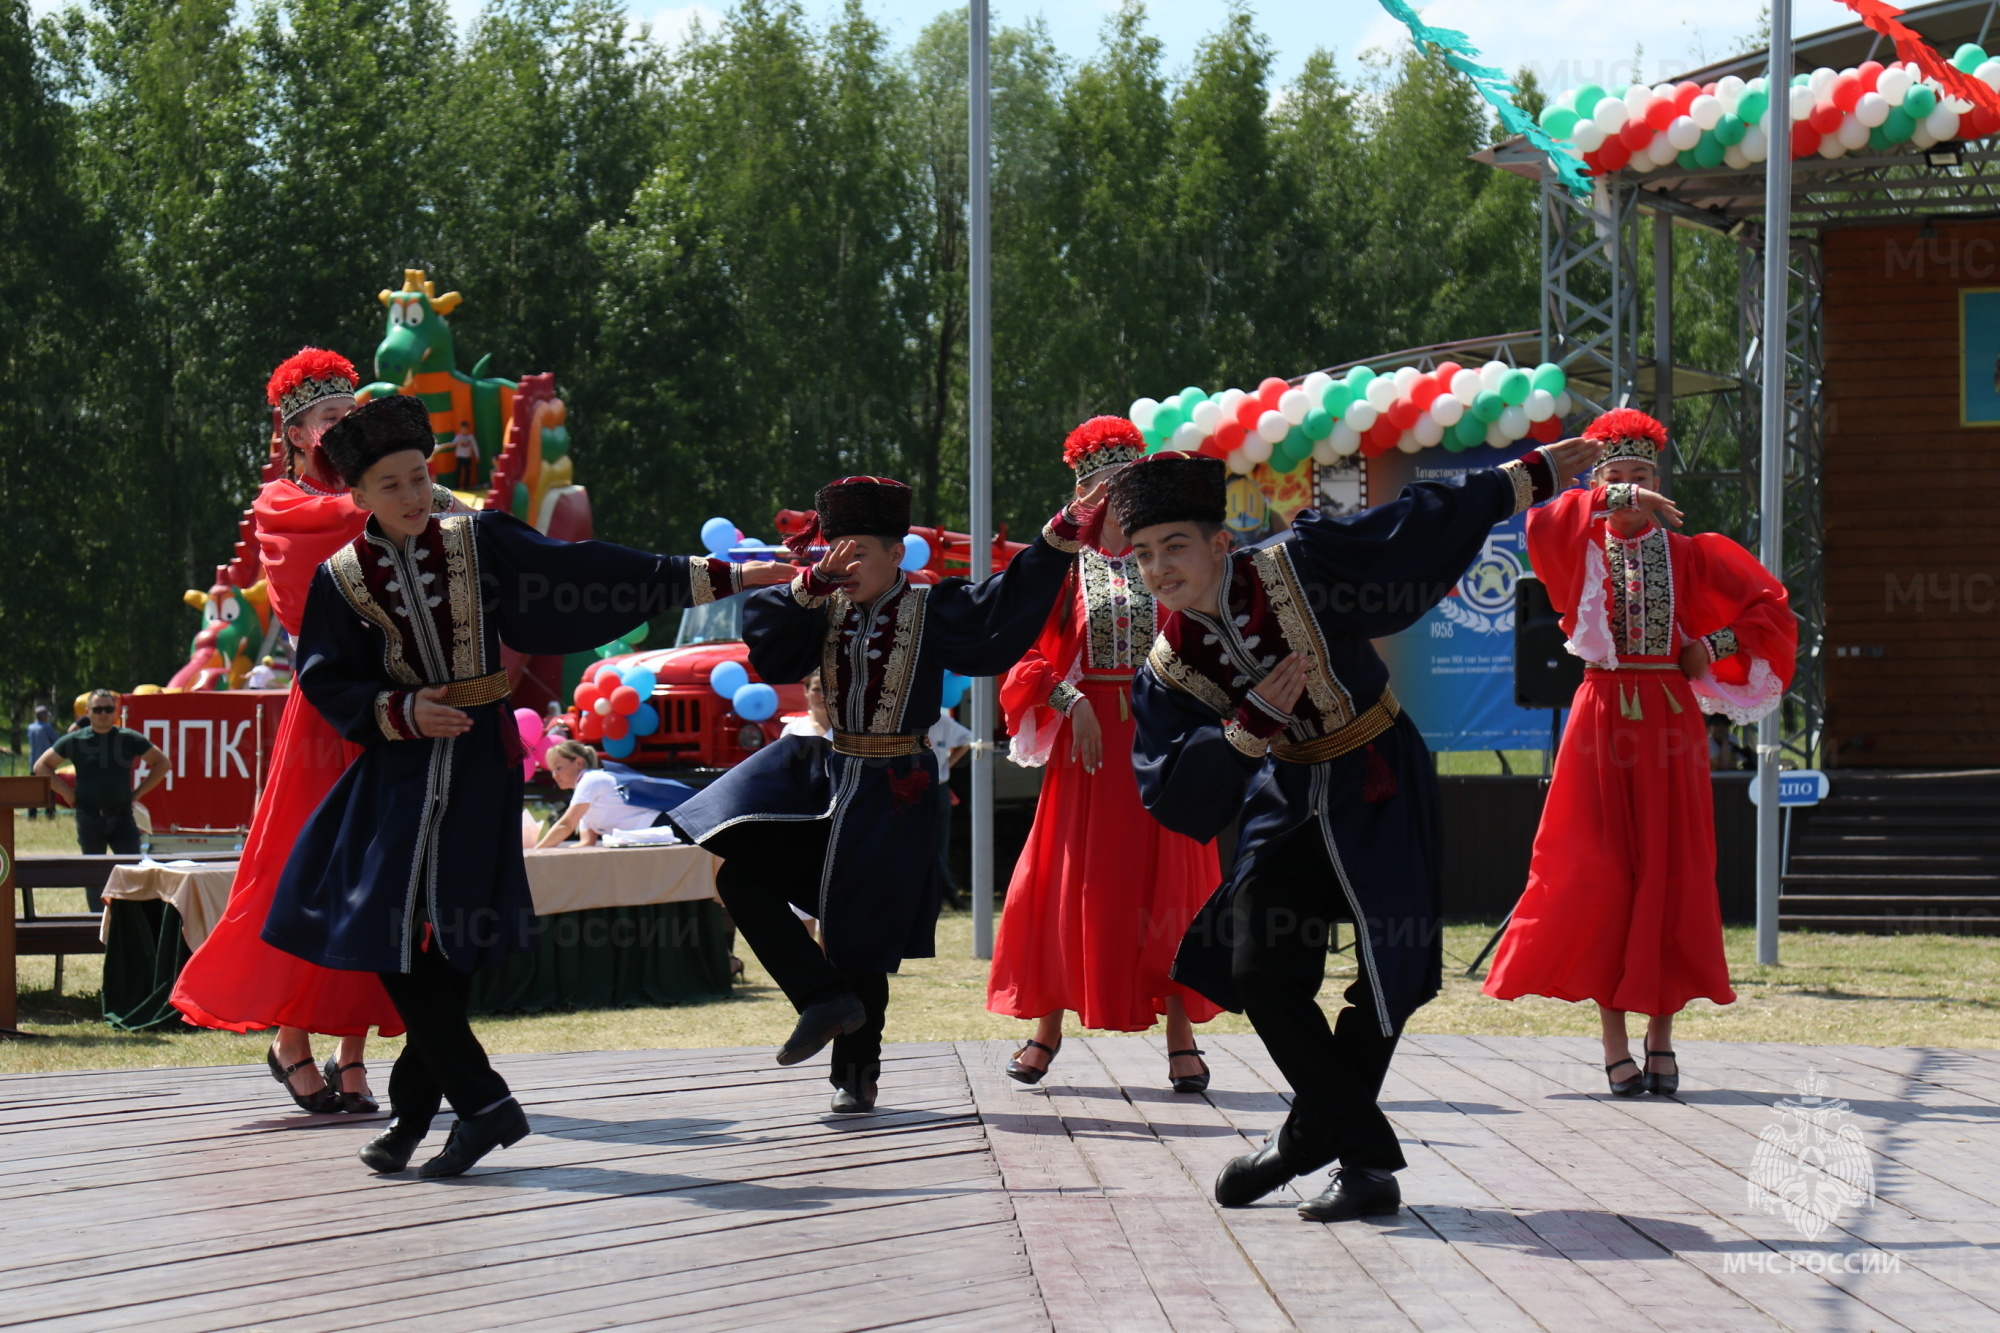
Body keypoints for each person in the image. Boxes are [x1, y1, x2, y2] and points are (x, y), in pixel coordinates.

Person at [267, 393, 791, 1177]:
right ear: (359, 497)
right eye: (391, 486)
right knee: (382, 929)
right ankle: (476, 1104)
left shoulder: (476, 539)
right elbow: (323, 678)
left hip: (478, 763)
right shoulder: (341, 579)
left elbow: (582, 571)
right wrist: (400, 707)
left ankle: (427, 1115)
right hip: (398, 770)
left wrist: (717, 575)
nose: (413, 497)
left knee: (454, 947)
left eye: (420, 478)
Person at [1119, 439, 1596, 1224]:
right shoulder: (1172, 663)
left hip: (1377, 769)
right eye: (1144, 554)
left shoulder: (1297, 564)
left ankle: (1315, 1142)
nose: (1161, 567)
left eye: (1176, 546)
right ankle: (1359, 1151)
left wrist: (1530, 474)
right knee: (1260, 966)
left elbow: (1413, 524)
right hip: (1289, 787)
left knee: (1386, 972)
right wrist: (1249, 726)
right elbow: (1170, 789)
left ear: (1219, 541)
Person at [668, 475, 1101, 1114]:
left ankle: (857, 1072)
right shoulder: (822, 604)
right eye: (832, 552)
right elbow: (772, 649)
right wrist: (810, 585)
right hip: (831, 780)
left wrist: (1061, 530)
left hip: (898, 788)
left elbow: (1007, 603)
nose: (842, 565)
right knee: (739, 880)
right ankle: (820, 999)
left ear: (897, 554)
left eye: (859, 552)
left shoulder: (933, 608)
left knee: (856, 934)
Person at [1482, 410, 1794, 1098]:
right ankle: (1614, 1041)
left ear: (1662, 481)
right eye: (1617, 479)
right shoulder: (1577, 543)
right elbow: (1543, 519)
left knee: (1670, 868)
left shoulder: (1690, 553)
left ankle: (1661, 1038)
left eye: (1644, 476)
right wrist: (1616, 500)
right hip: (1599, 718)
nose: (1632, 489)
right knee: (1600, 872)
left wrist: (1707, 648)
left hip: (1667, 719)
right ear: (1602, 483)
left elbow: (1772, 610)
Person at [171, 349, 448, 1116]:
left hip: (396, 711)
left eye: (348, 417)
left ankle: (350, 1052)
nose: (339, 430)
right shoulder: (283, 506)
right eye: (325, 421)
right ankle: (289, 1038)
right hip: (328, 715)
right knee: (317, 877)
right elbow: (342, 537)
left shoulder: (387, 501)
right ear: (294, 435)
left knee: (384, 883)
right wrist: (422, 497)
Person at [987, 416, 1223, 1091]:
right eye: (1100, 487)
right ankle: (1047, 1027)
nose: (1112, 498)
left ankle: (1182, 1032)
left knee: (1172, 883)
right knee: (1069, 881)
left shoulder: (1169, 554)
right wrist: (1069, 701)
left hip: (1163, 734)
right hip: (1088, 748)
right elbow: (1021, 650)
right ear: (1083, 492)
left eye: (1124, 484)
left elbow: (1210, 633)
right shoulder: (1062, 566)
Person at [35, 690, 170, 855]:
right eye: (98, 709)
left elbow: (162, 763)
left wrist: (138, 793)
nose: (103, 714)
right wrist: (66, 792)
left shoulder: (129, 738)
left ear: (116, 712)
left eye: (108, 709)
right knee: (93, 874)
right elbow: (41, 766)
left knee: (131, 871)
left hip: (123, 816)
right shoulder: (75, 740)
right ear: (88, 713)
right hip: (89, 817)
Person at [536, 740, 666, 846]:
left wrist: (536, 852)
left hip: (661, 830)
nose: (554, 775)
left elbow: (566, 825)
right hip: (647, 840)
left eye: (558, 768)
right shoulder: (585, 793)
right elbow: (587, 842)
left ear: (578, 763)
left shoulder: (590, 780)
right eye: (552, 770)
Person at [927, 704, 973, 908]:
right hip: (911, 789)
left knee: (938, 847)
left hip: (938, 788)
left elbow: (969, 739)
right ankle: (946, 896)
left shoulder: (941, 721)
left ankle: (949, 896)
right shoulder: (906, 721)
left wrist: (949, 763)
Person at [25, 705, 58, 820]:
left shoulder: (30, 727)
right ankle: (50, 813)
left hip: (33, 764)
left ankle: (32, 814)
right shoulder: (47, 727)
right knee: (50, 789)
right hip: (46, 763)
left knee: (33, 790)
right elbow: (57, 742)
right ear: (44, 717)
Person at [779, 669, 831, 739]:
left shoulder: (847, 731)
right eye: (816, 689)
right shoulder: (793, 730)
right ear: (806, 691)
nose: (823, 695)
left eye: (827, 689)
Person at [450, 421, 480, 491]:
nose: (463, 431)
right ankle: (457, 486)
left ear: (467, 429)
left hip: (467, 457)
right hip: (460, 456)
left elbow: (475, 446)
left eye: (465, 429)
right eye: (462, 429)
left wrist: (477, 456)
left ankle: (466, 486)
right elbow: (453, 443)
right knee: (459, 471)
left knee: (468, 471)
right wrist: (454, 443)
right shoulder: (459, 437)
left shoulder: (470, 437)